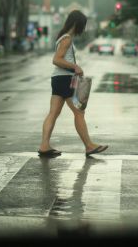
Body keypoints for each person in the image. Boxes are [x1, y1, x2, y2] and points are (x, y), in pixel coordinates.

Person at [38, 10, 108, 158]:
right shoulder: (67, 38)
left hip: (58, 79)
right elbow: (56, 59)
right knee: (79, 112)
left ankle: (44, 145)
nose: (83, 29)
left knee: (53, 113)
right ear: (77, 23)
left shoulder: (62, 37)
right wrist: (75, 67)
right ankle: (89, 146)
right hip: (66, 79)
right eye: (82, 25)